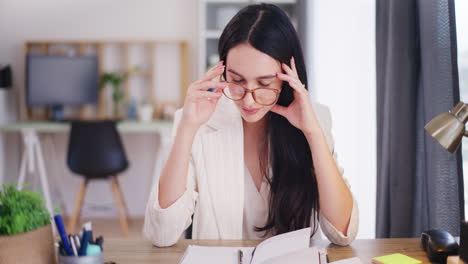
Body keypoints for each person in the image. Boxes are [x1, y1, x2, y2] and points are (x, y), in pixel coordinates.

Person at [143, 3, 358, 247]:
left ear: (287, 78)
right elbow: (161, 234)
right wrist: (187, 128)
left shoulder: (315, 119)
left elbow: (343, 232)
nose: (248, 99)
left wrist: (312, 133)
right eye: (237, 80)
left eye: (264, 84)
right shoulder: (197, 120)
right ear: (222, 69)